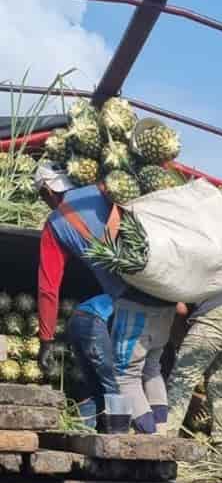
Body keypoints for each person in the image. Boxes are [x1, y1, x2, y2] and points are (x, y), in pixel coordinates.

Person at [35, 162, 174, 433]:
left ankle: (142, 440)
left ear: (49, 192)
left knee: (124, 380)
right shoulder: (103, 188)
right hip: (164, 294)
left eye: (42, 196)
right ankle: (161, 432)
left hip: (131, 301)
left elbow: (48, 288)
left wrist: (46, 339)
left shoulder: (54, 225)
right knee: (152, 370)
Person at [165, 283, 222, 443]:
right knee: (219, 385)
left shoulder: (182, 262)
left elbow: (180, 309)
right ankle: (221, 445)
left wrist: (180, 343)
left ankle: (165, 439)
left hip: (216, 317)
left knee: (182, 380)